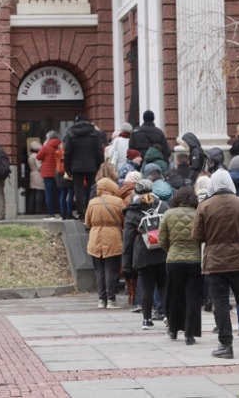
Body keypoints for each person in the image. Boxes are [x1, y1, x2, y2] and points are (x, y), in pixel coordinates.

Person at [192, 168, 239, 359]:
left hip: (215, 261)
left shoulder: (205, 206)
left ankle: (226, 345)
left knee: (221, 303)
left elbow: (197, 236)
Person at [122, 178, 169, 329]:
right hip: (163, 252)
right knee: (164, 285)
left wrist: (126, 265)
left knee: (147, 287)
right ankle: (168, 315)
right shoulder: (163, 206)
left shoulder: (133, 211)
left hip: (144, 254)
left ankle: (147, 320)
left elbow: (127, 241)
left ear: (136, 192)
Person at [159, 186, 202, 345]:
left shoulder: (168, 214)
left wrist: (170, 250)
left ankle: (173, 329)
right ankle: (190, 334)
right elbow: (201, 237)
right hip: (195, 260)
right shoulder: (197, 213)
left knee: (174, 296)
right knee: (193, 297)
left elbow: (162, 239)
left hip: (174, 260)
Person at [85, 178, 125, 310]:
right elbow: (124, 220)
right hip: (113, 238)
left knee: (99, 270)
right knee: (112, 270)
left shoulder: (92, 202)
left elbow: (88, 222)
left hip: (95, 237)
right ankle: (111, 299)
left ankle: (101, 299)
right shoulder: (118, 202)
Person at [63, 114, 105, 221]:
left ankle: (81, 214)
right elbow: (99, 151)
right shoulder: (95, 133)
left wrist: (67, 167)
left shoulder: (70, 133)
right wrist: (100, 165)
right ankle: (93, 212)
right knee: (93, 189)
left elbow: (67, 152)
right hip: (92, 166)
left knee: (78, 190)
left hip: (76, 167)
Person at [36, 131, 62, 219]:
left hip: (48, 174)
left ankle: (51, 213)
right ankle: (62, 212)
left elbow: (38, 157)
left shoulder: (46, 147)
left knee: (49, 194)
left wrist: (43, 145)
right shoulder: (61, 145)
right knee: (60, 193)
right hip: (59, 173)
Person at [55, 142, 75, 220]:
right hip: (68, 173)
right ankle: (69, 213)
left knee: (63, 193)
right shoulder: (69, 148)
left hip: (59, 173)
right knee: (70, 193)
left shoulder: (58, 149)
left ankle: (63, 213)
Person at [27, 141, 45, 215]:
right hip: (38, 175)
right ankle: (38, 210)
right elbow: (39, 167)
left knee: (33, 192)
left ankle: (30, 209)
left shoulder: (30, 155)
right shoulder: (36, 156)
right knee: (39, 192)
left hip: (32, 174)